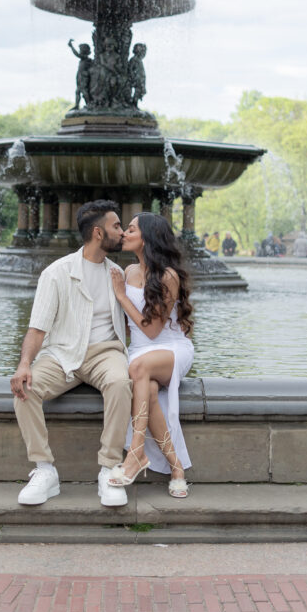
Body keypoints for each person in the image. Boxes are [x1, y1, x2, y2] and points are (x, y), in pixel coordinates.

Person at [10, 200, 131, 507]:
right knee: (25, 388)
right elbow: (37, 329)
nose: (122, 231)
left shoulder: (118, 273)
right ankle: (44, 470)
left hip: (106, 353)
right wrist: (24, 365)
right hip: (62, 354)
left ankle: (109, 469)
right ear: (98, 233)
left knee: (120, 383)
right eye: (116, 226)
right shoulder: (56, 273)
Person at [107, 213, 194, 498]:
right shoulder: (129, 271)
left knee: (140, 368)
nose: (124, 234)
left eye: (130, 230)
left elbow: (154, 330)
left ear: (146, 237)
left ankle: (135, 454)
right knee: (150, 389)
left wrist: (121, 297)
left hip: (171, 348)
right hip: (140, 353)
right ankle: (177, 468)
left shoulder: (168, 276)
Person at [68, 40, 92, 109]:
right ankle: (77, 105)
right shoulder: (83, 60)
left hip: (83, 77)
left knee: (84, 91)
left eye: (80, 50)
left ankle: (89, 104)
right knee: (78, 91)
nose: (79, 51)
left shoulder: (85, 58)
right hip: (79, 77)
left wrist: (71, 46)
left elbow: (77, 54)